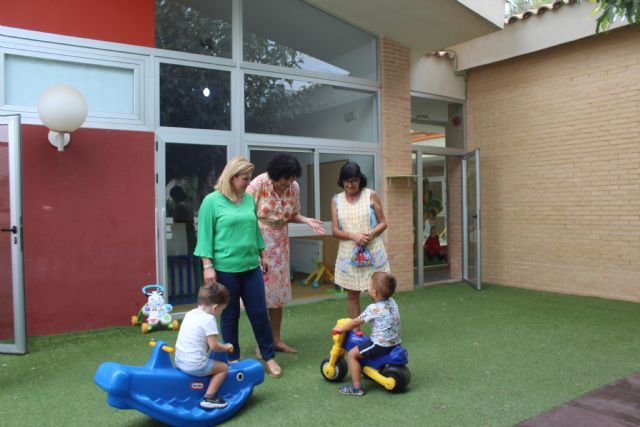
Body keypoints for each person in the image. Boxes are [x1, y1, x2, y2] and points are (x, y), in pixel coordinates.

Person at [194, 156, 282, 378]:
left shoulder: (248, 199)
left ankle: (268, 356)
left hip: (251, 265)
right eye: (245, 178)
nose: (248, 182)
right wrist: (207, 265)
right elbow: (205, 236)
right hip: (225, 269)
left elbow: (254, 230)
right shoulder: (211, 201)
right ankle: (233, 358)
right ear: (232, 178)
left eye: (249, 178)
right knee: (230, 315)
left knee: (259, 312)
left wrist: (262, 254)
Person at [248, 153, 325, 353]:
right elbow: (245, 213)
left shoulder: (294, 186)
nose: (287, 185)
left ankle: (276, 340)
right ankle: (261, 342)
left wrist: (307, 220)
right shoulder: (258, 184)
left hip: (281, 243)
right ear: (274, 176)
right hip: (260, 242)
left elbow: (293, 214)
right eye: (284, 182)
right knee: (262, 295)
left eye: (291, 180)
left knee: (278, 295)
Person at [331, 161, 390, 323]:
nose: (350, 185)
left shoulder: (371, 195)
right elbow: (335, 231)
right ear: (342, 181)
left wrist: (370, 233)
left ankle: (382, 329)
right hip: (348, 253)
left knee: (378, 293)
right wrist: (353, 235)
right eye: (347, 181)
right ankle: (356, 333)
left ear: (360, 180)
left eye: (354, 180)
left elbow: (383, 223)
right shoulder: (336, 200)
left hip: (373, 251)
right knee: (352, 295)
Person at [334, 272, 401, 396]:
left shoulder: (373, 309)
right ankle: (371, 368)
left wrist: (341, 329)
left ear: (374, 293)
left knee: (353, 354)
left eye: (369, 286)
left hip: (379, 345)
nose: (368, 287)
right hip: (395, 343)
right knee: (364, 345)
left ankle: (356, 387)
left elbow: (356, 321)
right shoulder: (392, 302)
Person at [174, 282, 233, 409]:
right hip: (195, 364)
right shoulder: (209, 319)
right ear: (215, 308)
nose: (221, 312)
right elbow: (214, 346)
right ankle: (210, 397)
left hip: (179, 361)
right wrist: (227, 347)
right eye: (222, 310)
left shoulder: (190, 313)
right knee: (223, 368)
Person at [169, 184, 196, 253]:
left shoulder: (181, 206)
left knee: (183, 255)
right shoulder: (188, 204)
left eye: (173, 197)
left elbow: (180, 222)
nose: (173, 199)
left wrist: (173, 226)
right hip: (190, 233)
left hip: (183, 235)